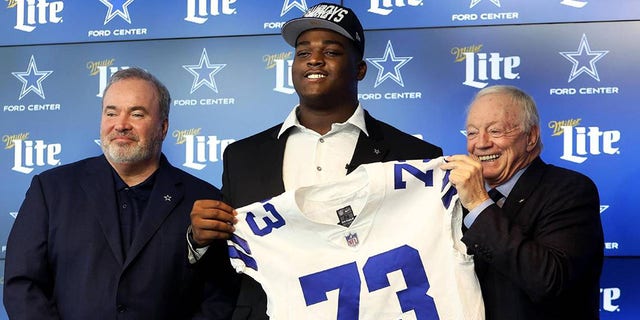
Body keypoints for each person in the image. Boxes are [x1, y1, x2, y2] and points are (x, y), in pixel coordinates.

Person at [187, 3, 442, 319]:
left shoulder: (418, 157)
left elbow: (433, 258)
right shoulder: (242, 157)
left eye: (332, 52)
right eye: (303, 53)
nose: (315, 60)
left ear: (360, 69)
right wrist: (198, 240)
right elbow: (230, 267)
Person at [3, 67, 238, 319]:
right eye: (111, 113)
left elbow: (220, 296)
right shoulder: (51, 190)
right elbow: (23, 285)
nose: (121, 125)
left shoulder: (204, 198)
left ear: (163, 127)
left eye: (137, 114)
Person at [440, 85, 604, 320]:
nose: (481, 143)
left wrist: (478, 203)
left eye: (495, 131)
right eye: (472, 133)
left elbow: (548, 280)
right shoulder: (455, 199)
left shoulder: (570, 190)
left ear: (531, 137)